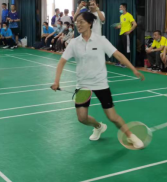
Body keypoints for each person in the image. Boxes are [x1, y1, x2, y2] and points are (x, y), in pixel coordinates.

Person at [51, 11, 145, 147]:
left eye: (81, 22)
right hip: (82, 84)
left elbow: (118, 55)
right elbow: (62, 62)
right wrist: (56, 81)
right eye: (77, 22)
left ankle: (131, 136)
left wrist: (133, 69)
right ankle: (98, 126)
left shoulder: (101, 40)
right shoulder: (74, 43)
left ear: (90, 24)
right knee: (82, 118)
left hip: (100, 83)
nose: (78, 25)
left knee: (112, 117)